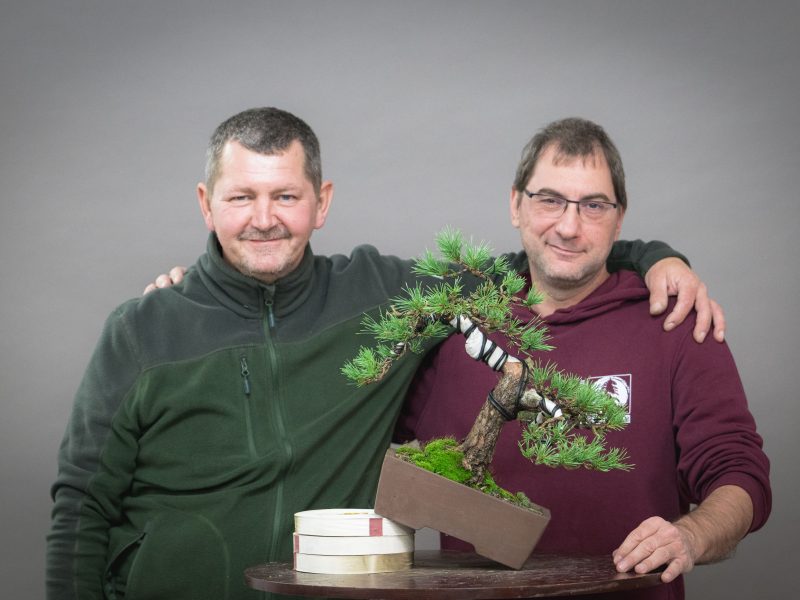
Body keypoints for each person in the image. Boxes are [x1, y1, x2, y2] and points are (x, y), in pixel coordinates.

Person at [47, 107, 718, 600]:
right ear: (206, 204)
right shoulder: (139, 331)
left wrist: (652, 256)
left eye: (286, 195)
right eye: (241, 197)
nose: (264, 217)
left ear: (322, 202)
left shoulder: (381, 297)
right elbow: (80, 507)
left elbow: (550, 253)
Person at [396, 117, 771, 600]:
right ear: (516, 204)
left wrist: (691, 535)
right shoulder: (456, 329)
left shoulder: (676, 324)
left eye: (594, 206)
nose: (569, 227)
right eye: (549, 199)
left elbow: (740, 474)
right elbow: (383, 458)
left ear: (620, 217)